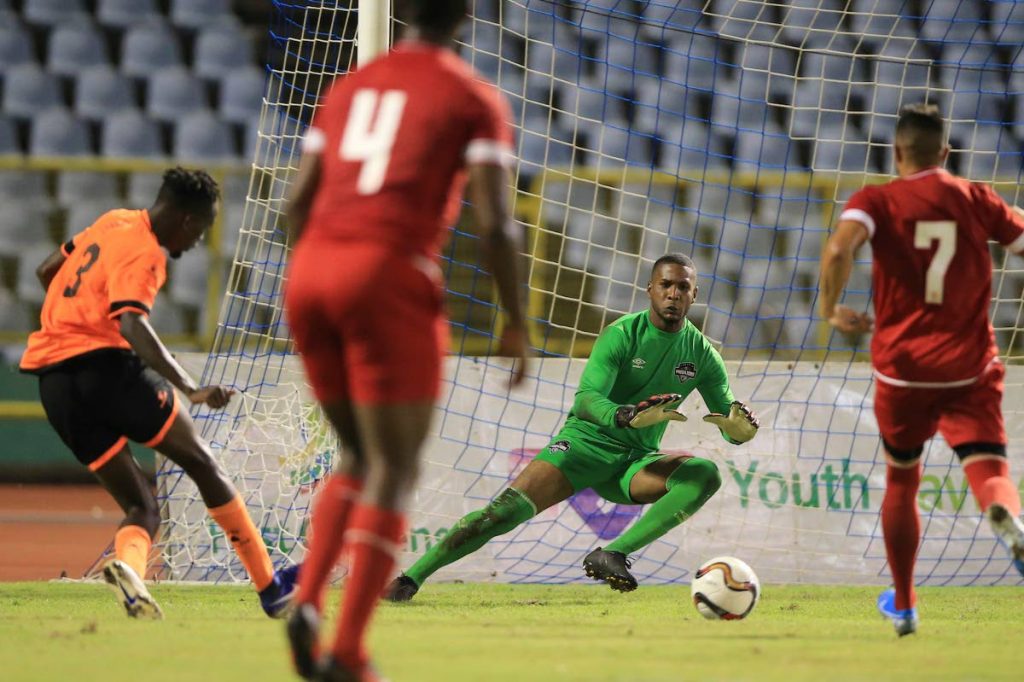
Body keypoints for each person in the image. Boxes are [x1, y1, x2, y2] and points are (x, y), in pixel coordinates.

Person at [281, 0, 530, 678]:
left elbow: (294, 205)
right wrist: (518, 321)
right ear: (467, 15)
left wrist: (320, 273)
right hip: (386, 272)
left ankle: (306, 600)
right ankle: (348, 649)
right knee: (395, 467)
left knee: (357, 455)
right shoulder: (472, 98)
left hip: (310, 272)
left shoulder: (350, 87)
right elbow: (497, 225)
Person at [386, 253, 760, 601]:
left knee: (703, 475)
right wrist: (624, 415)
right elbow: (586, 398)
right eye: (665, 285)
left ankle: (612, 553)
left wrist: (739, 432)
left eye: (682, 287)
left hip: (633, 465)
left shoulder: (702, 354)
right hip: (583, 447)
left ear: (695, 294)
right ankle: (410, 579)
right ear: (650, 289)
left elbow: (728, 418)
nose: (673, 294)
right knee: (500, 515)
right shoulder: (622, 334)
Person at [19, 167, 299, 619]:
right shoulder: (147, 252)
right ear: (187, 220)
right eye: (202, 230)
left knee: (141, 506)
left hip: (54, 384)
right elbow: (132, 323)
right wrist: (190, 388)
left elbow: (47, 268)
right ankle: (270, 587)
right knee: (202, 463)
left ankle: (130, 571)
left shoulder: (113, 221)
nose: (196, 242)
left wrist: (77, 314)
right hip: (106, 372)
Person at [820, 103, 1024, 637]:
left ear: (897, 151)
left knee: (902, 480)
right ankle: (1006, 515)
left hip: (902, 371)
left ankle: (906, 604)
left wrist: (830, 309)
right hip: (968, 367)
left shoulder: (877, 200)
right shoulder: (975, 197)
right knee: (990, 469)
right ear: (946, 152)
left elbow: (840, 247)